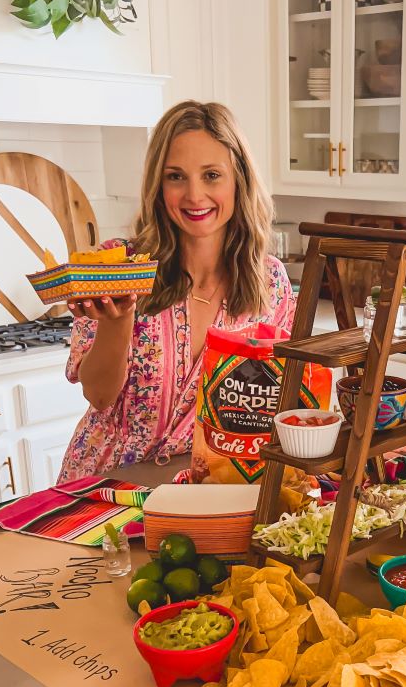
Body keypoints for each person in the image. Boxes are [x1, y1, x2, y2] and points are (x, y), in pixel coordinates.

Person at [57, 101, 295, 482]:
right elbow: (98, 395)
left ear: (239, 179)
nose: (194, 195)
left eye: (212, 175)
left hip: (201, 490)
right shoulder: (117, 267)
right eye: (176, 177)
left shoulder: (271, 285)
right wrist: (118, 320)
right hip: (104, 486)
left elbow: (277, 405)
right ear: (158, 185)